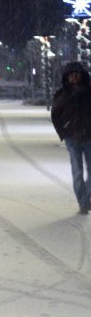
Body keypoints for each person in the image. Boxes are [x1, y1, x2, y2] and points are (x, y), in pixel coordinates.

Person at [51, 62, 91, 215]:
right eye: (71, 74)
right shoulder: (62, 95)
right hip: (72, 137)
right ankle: (83, 203)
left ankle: (85, 198)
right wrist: (64, 132)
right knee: (77, 171)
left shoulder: (89, 92)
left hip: (89, 136)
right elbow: (55, 115)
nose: (74, 76)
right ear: (67, 77)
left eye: (77, 73)